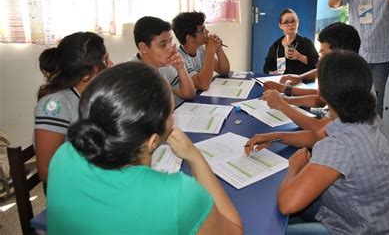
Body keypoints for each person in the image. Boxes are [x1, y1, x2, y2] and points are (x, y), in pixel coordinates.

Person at [47, 62, 243, 234]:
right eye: (171, 112)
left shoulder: (63, 156)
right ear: (151, 142)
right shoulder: (179, 195)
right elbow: (234, 230)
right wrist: (195, 158)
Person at [245, 51, 389, 234]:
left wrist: (295, 166)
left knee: (266, 226)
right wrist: (273, 136)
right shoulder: (367, 117)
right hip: (381, 219)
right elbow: (316, 136)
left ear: (321, 93)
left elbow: (286, 203)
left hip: (360, 229)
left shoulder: (339, 145)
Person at [34, 32, 113, 182]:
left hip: (96, 173)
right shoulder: (55, 106)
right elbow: (46, 170)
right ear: (85, 74)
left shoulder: (92, 96)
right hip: (72, 187)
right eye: (105, 60)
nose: (111, 64)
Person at [262, 23, 361, 133]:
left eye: (323, 53)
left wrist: (282, 104)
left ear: (339, 55)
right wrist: (297, 81)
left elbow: (319, 128)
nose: (320, 58)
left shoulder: (348, 85)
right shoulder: (352, 69)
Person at [133, 16, 195, 106]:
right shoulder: (133, 75)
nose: (170, 48)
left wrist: (181, 68)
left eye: (170, 41)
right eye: (163, 44)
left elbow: (189, 94)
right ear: (144, 47)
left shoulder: (164, 65)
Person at [172, 11, 230, 91]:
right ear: (188, 37)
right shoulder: (179, 58)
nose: (207, 32)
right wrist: (211, 49)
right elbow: (203, 85)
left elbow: (224, 71)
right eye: (202, 30)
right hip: (184, 103)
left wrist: (218, 49)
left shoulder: (200, 49)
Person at [263, 9, 319, 75]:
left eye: (293, 21)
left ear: (298, 23)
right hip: (280, 82)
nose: (290, 24)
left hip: (302, 82)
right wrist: (272, 73)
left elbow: (318, 64)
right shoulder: (276, 46)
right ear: (280, 26)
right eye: (286, 22)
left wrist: (300, 57)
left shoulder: (306, 43)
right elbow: (266, 69)